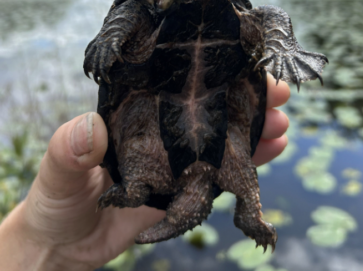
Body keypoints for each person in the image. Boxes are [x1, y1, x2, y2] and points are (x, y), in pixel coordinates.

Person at [0, 74, 290, 271]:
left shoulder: (222, 4)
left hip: (215, 134)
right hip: (151, 117)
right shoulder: (146, 2)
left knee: (222, 165)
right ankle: (137, 188)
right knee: (180, 171)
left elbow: (261, 22)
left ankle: (248, 213)